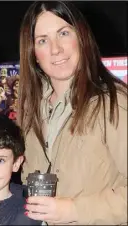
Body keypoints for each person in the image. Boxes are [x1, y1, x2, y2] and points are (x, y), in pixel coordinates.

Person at [18, 1, 127, 225]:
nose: (55, 49)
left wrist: (75, 210)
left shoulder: (113, 103)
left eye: (64, 33)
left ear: (82, 37)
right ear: (33, 53)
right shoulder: (30, 112)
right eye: (42, 40)